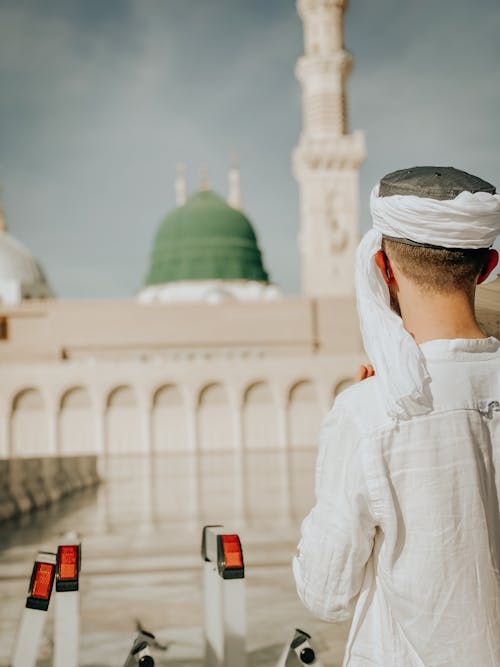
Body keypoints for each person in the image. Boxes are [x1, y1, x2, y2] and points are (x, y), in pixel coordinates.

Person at [293, 166, 500, 666]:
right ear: (487, 266)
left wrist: (358, 426)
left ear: (384, 269)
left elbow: (327, 593)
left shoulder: (369, 413)